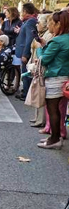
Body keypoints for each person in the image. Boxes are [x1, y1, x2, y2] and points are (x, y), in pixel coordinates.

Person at [37, 10, 69, 149]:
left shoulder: (57, 40)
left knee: (53, 109)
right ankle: (54, 137)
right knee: (59, 109)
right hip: (65, 76)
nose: (51, 25)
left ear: (59, 24)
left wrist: (40, 49)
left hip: (56, 76)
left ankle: (55, 138)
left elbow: (44, 59)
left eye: (52, 23)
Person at [14, 2, 38, 101]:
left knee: (26, 74)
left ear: (25, 11)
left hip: (25, 52)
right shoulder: (27, 21)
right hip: (23, 50)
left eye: (22, 11)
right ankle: (26, 91)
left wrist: (25, 54)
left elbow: (29, 38)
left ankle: (26, 93)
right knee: (25, 73)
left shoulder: (30, 21)